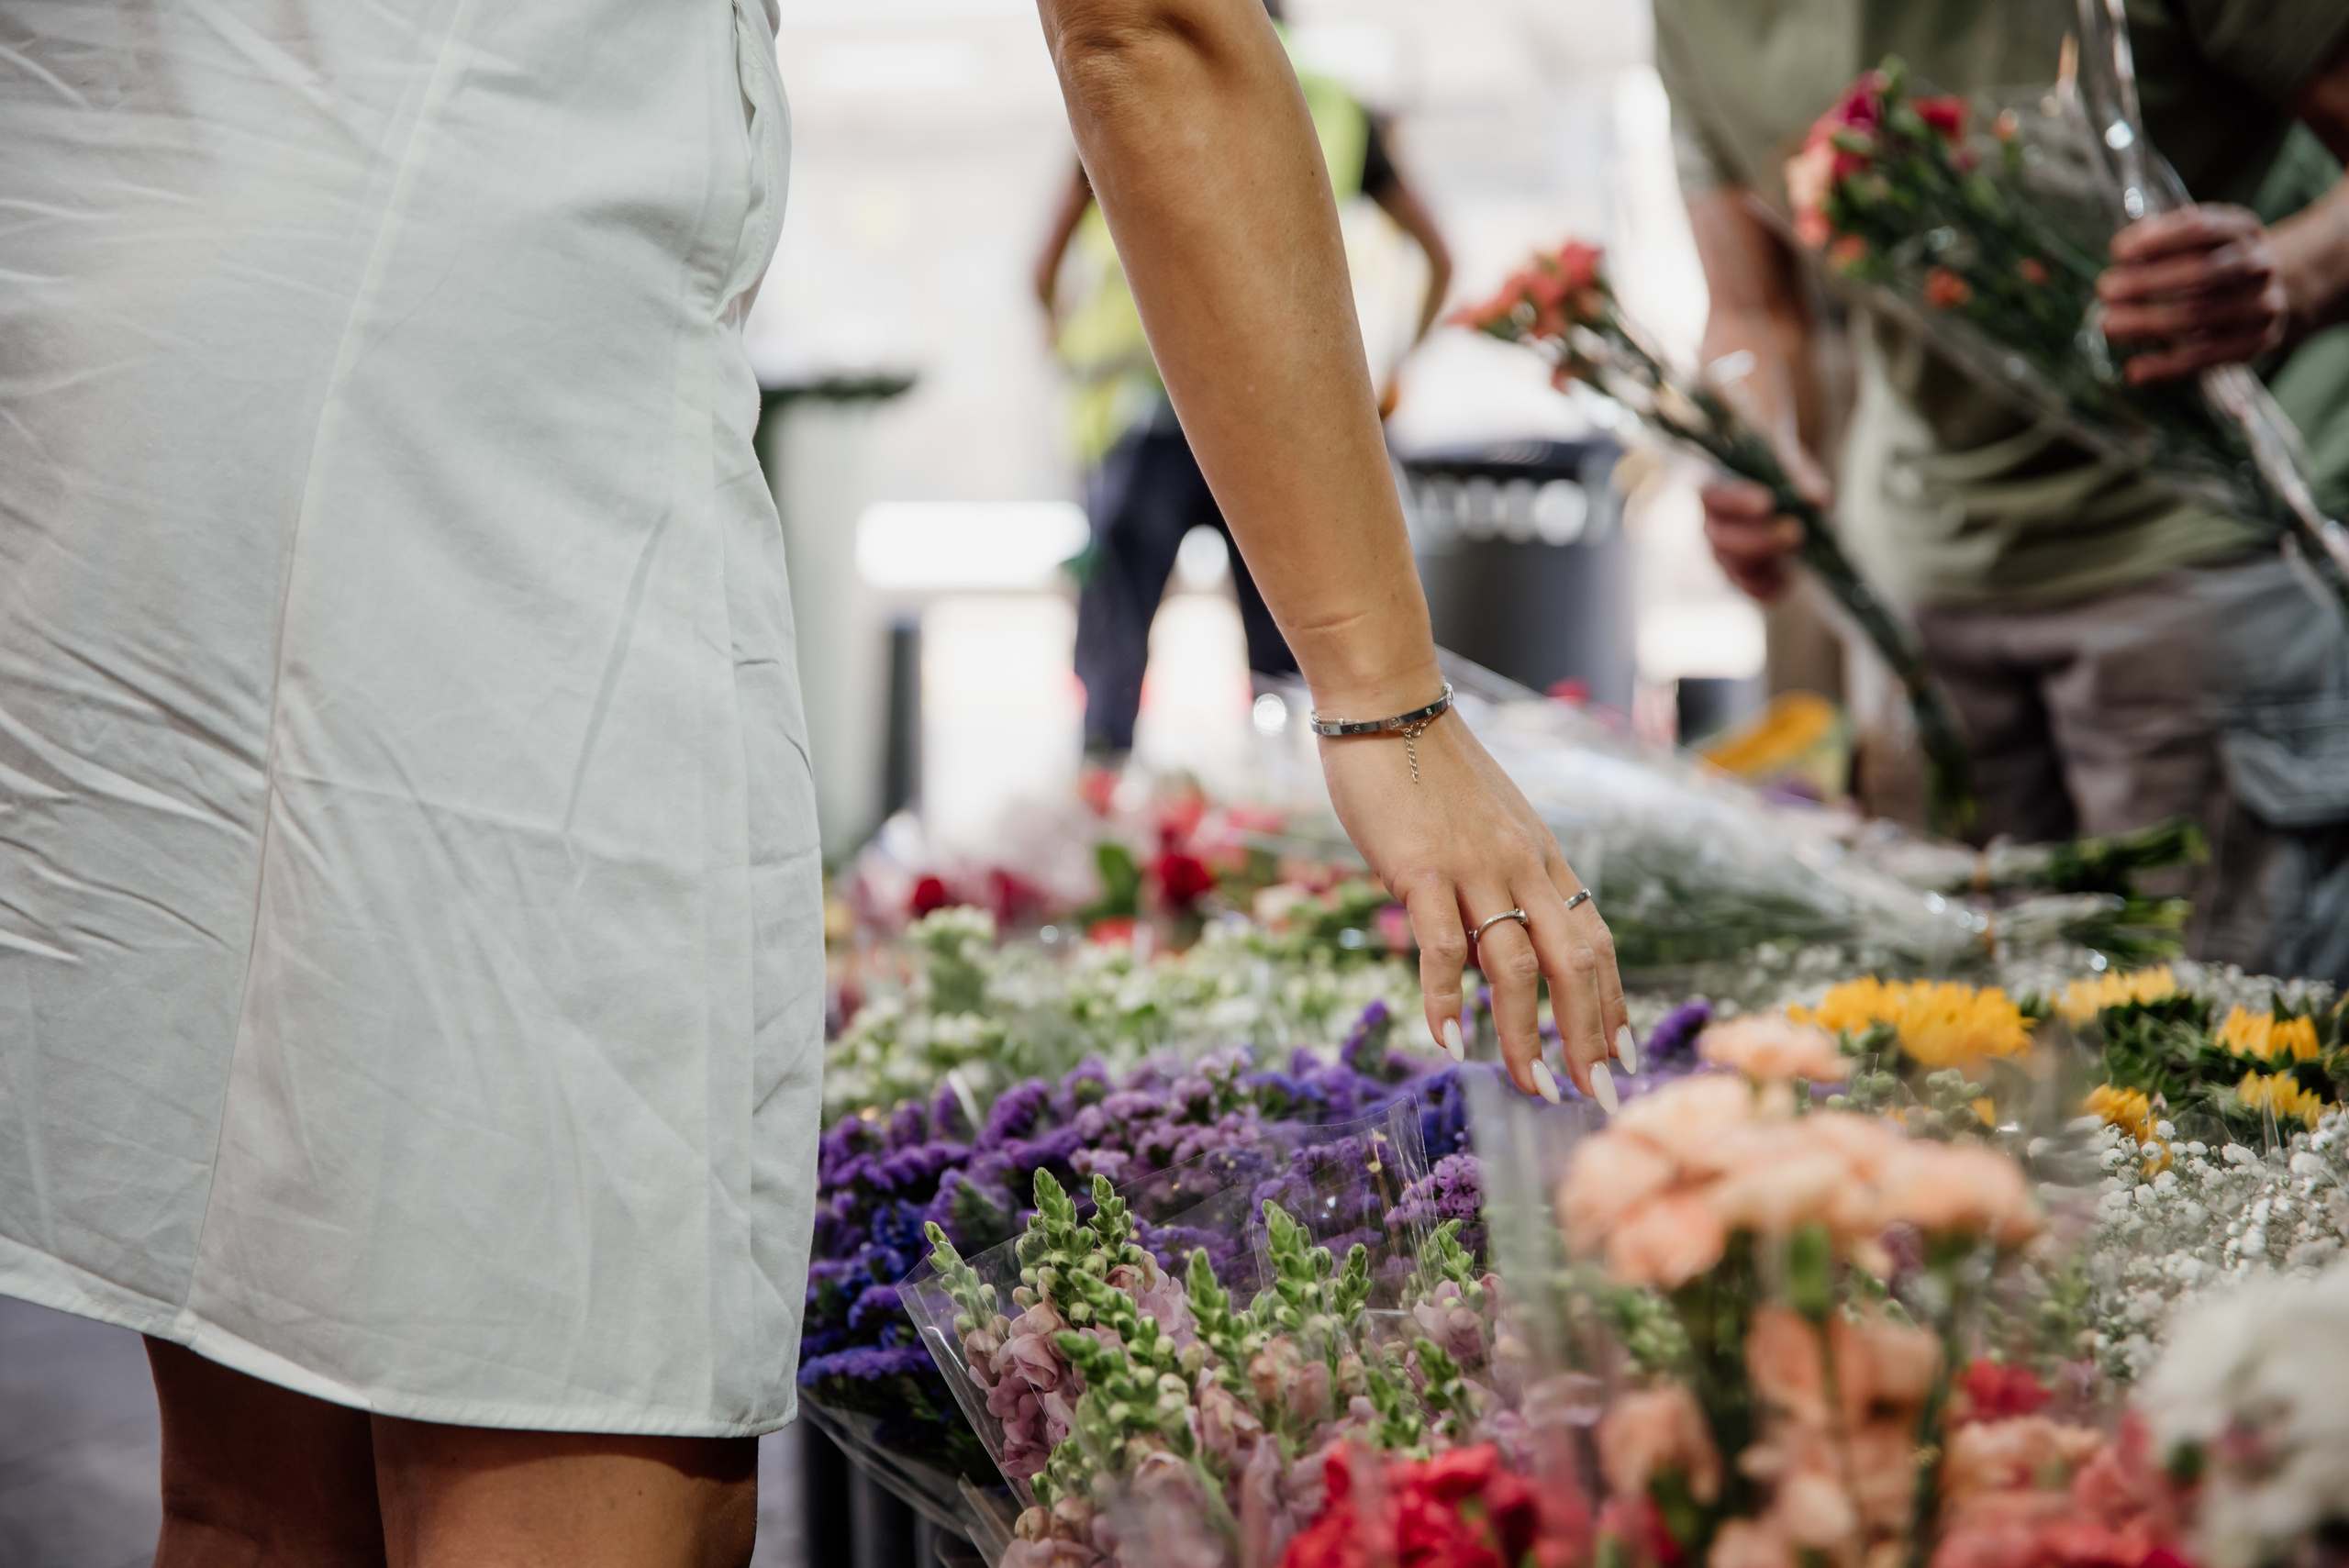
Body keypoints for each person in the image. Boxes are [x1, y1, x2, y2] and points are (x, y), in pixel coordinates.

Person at [0, 0, 1622, 1562]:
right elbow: (1147, 30)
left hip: (112, 385)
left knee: (257, 1485)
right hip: (472, 454)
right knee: (569, 1411)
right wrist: (1388, 703)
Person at [1655, 0, 2349, 983]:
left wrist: (2289, 273)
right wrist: (1749, 441)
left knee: (2231, 1082)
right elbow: (1755, 312)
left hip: (2202, 550)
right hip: (1925, 589)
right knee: (1963, 1059)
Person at [1034, 1, 1453, 759]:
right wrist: (1390, 375)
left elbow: (1043, 269)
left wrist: (1071, 363)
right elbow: (1439, 255)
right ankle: (1284, 832)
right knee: (1296, 666)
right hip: (1281, 424)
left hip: (1139, 421)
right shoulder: (1331, 100)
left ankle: (1102, 818)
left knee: (1115, 648)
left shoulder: (1132, 70)